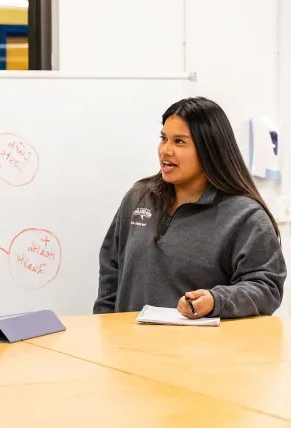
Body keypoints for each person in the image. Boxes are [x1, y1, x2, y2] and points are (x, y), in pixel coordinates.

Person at [94, 96, 285, 319]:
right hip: (126, 348)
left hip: (197, 351)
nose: (165, 150)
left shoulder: (246, 216)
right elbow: (111, 270)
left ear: (209, 150)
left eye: (179, 142)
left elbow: (267, 288)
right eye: (164, 138)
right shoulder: (139, 197)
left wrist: (217, 300)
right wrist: (104, 324)